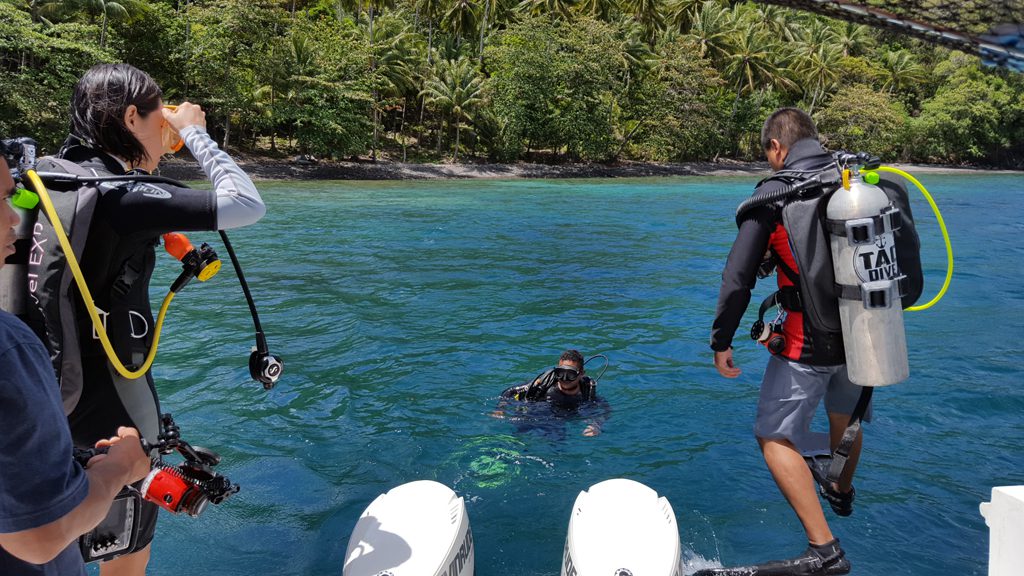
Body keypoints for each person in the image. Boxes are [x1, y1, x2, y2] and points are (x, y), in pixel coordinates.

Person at [28, 63, 266, 576]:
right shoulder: (125, 192)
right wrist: (196, 133)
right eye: (162, 117)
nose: (167, 130)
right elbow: (246, 204)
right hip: (114, 408)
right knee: (126, 554)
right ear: (131, 116)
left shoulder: (52, 179)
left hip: (45, 394)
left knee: (53, 542)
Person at [708, 108, 863, 575]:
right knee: (844, 419)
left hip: (807, 343)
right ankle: (839, 489)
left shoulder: (774, 196)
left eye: (767, 153)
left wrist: (721, 339)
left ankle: (825, 550)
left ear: (777, 147)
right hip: (867, 337)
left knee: (773, 434)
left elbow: (737, 279)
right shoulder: (854, 185)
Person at [0, 153, 153, 576]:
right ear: (129, 117)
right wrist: (120, 469)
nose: (14, 220)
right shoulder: (8, 349)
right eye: (0, 200)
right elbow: (41, 537)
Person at [497, 349, 610, 437]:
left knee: (557, 442)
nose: (564, 378)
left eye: (570, 374)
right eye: (561, 373)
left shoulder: (587, 391)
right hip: (534, 412)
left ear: (581, 374)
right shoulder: (544, 384)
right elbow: (510, 391)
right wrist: (500, 408)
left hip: (557, 423)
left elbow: (605, 410)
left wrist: (595, 425)